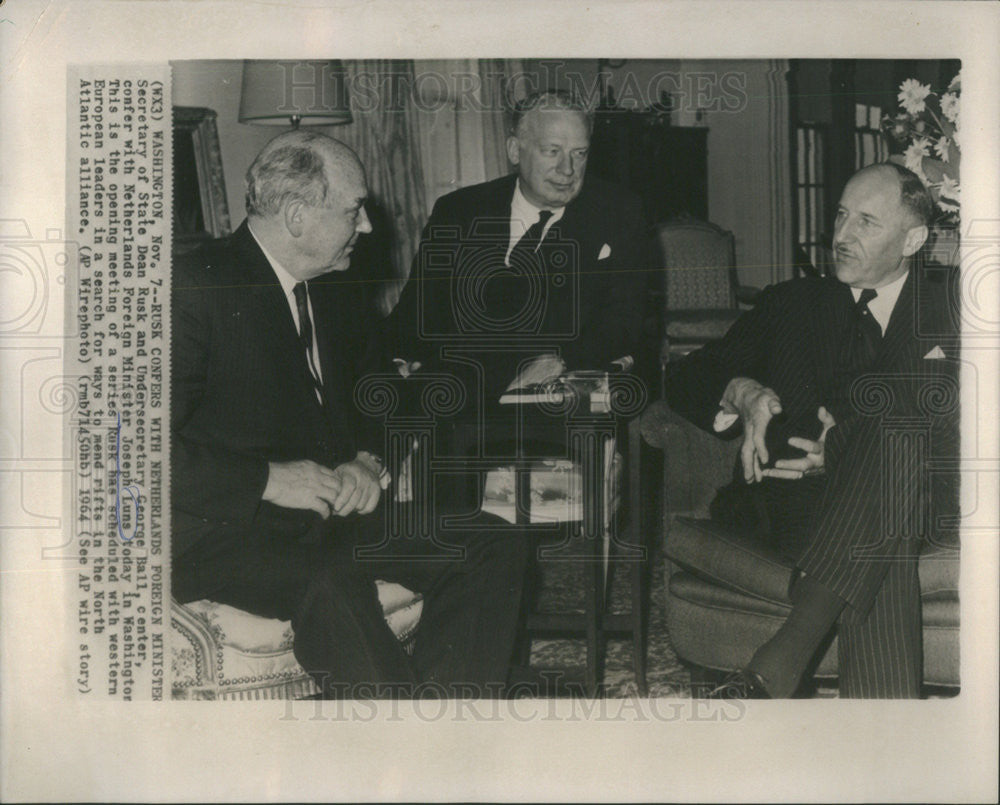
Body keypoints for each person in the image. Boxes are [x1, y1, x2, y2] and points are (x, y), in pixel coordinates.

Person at [171, 130, 528, 698]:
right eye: (354, 209)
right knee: (332, 580)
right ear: (295, 215)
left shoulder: (334, 284)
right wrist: (268, 479)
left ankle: (450, 724)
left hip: (327, 516)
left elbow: (379, 392)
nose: (366, 227)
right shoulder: (194, 289)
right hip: (225, 532)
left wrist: (367, 458)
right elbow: (128, 450)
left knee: (491, 540)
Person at [665, 163, 960, 698]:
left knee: (894, 432)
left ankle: (779, 662)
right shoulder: (791, 304)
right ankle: (880, 749)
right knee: (881, 537)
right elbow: (684, 376)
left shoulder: (959, 306)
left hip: (925, 498)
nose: (841, 236)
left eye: (866, 222)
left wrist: (845, 450)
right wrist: (742, 391)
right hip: (796, 504)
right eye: (841, 216)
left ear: (913, 239)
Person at [384, 88, 654, 404]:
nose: (568, 170)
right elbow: (417, 310)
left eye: (579, 153)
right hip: (460, 392)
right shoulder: (459, 211)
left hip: (556, 394)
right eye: (552, 151)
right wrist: (395, 360)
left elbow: (625, 320)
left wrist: (562, 358)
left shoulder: (619, 211)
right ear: (515, 150)